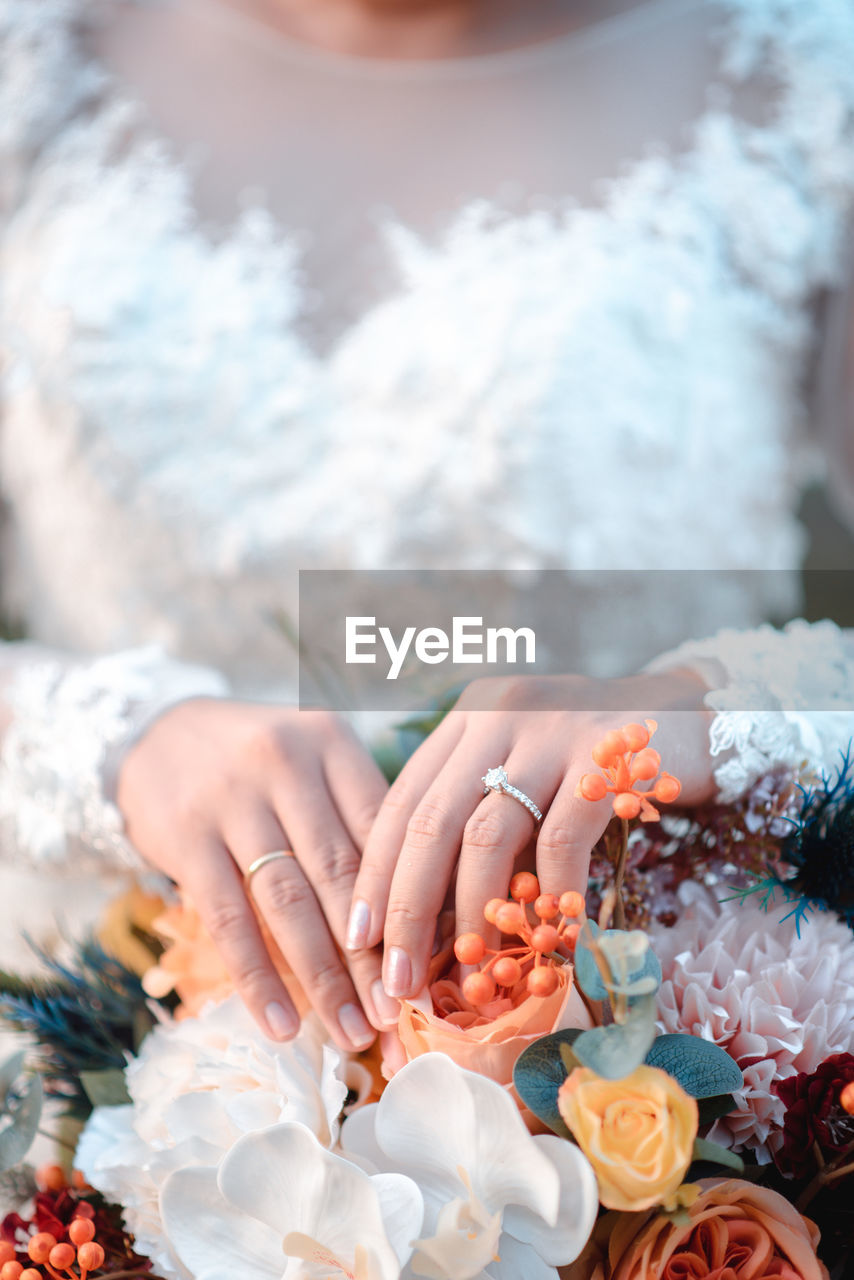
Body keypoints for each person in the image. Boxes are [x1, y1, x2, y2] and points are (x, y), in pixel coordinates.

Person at [1, 0, 853, 1054]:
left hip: (628, 1069)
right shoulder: (30, 64)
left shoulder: (805, 82)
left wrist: (722, 721)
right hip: (80, 1059)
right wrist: (108, 742)